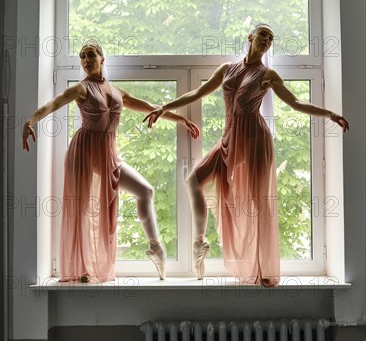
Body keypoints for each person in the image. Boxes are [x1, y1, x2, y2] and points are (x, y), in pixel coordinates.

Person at [144, 24, 349, 287]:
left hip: (254, 140)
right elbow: (197, 93)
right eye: (263, 34)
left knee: (257, 203)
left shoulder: (268, 74)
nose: (267, 40)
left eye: (271, 38)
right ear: (250, 38)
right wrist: (164, 108)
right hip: (230, 138)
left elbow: (296, 103)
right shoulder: (227, 69)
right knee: (193, 180)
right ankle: (199, 243)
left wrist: (329, 114)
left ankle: (263, 268)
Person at [23, 43, 199, 283]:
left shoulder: (117, 92)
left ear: (102, 59)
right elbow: (54, 103)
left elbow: (149, 108)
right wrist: (30, 121)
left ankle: (155, 247)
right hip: (83, 151)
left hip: (108, 154)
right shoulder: (80, 89)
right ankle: (82, 268)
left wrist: (179, 118)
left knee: (145, 190)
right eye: (82, 56)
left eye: (91, 55)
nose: (86, 59)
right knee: (82, 209)